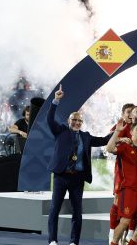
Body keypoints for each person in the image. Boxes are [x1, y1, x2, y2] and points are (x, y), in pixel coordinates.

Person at [46, 85, 111, 245]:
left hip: (78, 179)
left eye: (79, 120)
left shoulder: (86, 137)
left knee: (77, 212)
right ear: (68, 121)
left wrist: (117, 132)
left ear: (82, 123)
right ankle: (52, 240)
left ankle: (74, 242)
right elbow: (49, 119)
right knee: (54, 209)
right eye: (74, 119)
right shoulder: (60, 131)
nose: (76, 122)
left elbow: (103, 140)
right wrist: (55, 101)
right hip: (61, 176)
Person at [106, 121, 137, 245]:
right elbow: (109, 148)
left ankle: (131, 243)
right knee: (125, 221)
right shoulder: (125, 147)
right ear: (131, 132)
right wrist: (117, 132)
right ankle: (113, 243)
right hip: (128, 190)